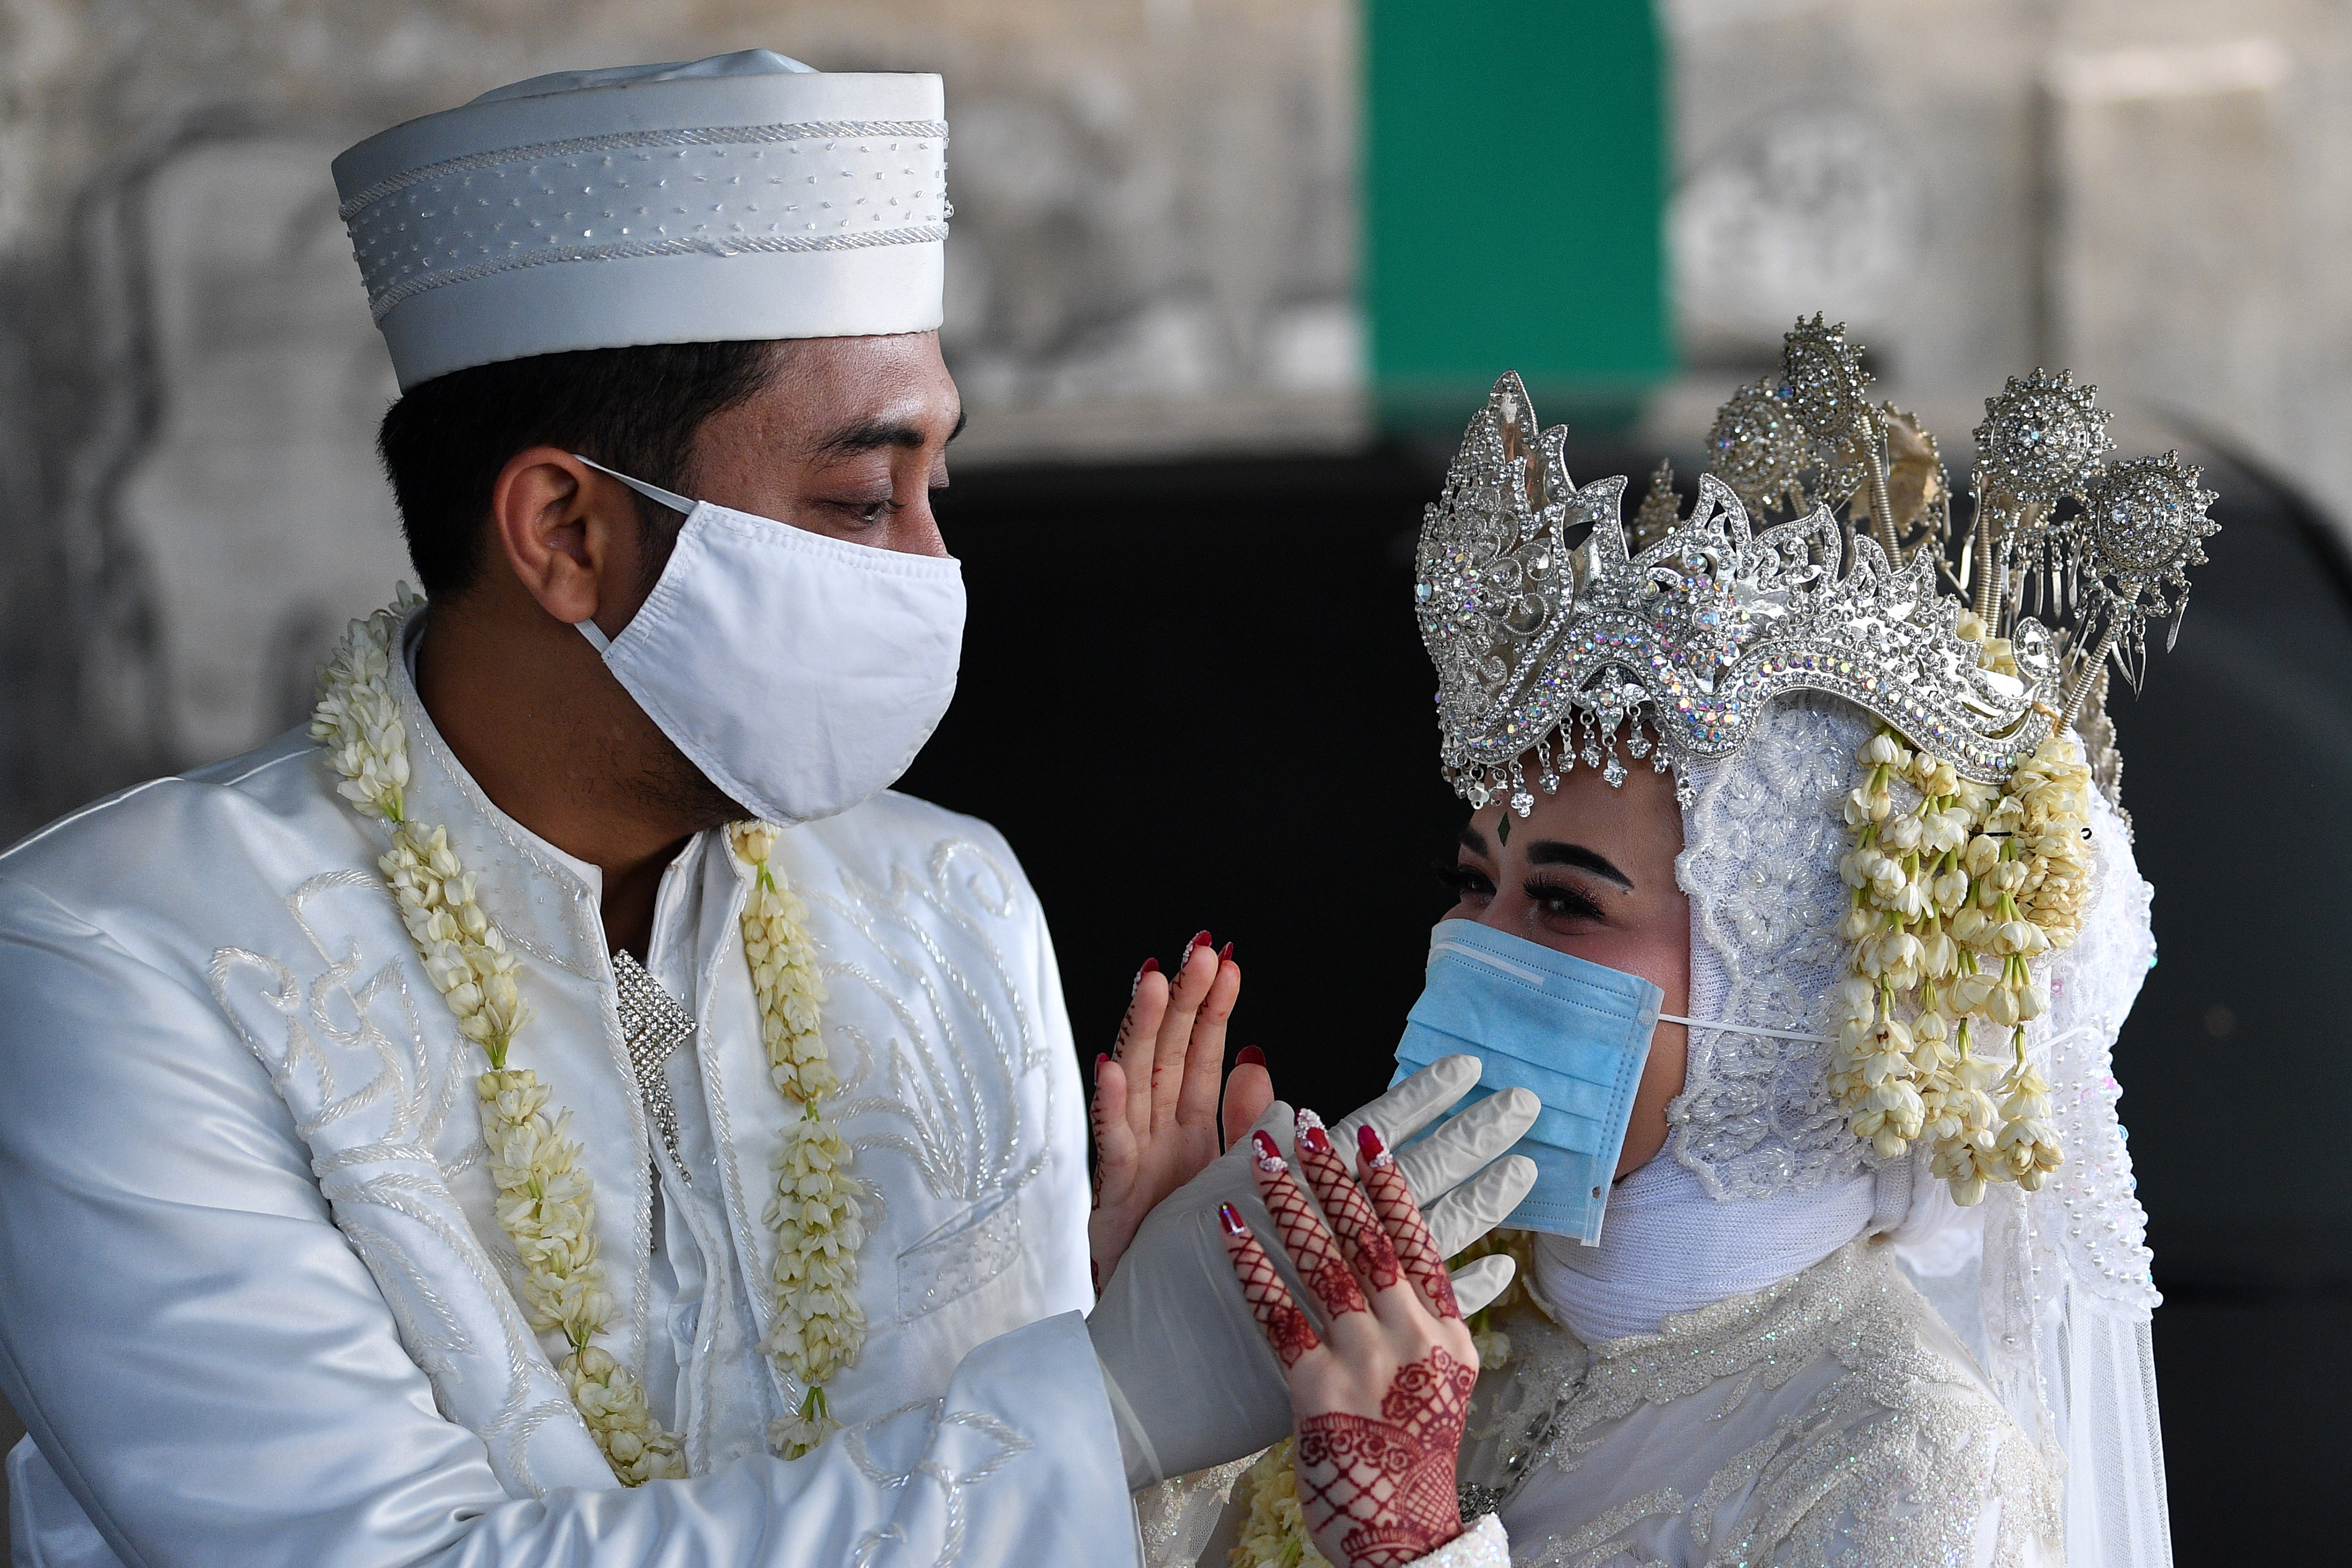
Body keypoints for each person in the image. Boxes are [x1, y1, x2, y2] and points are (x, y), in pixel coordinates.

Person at [0, 51, 1542, 1568]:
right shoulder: (120, 961)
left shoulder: (948, 903)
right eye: (863, 498)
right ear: (566, 528)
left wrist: (1164, 1409)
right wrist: (1105, 1404)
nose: (932, 565)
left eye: (939, 486)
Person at [1222, 330, 2199, 1567]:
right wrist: (1153, 1381)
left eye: (1566, 901)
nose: (1473, 947)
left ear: (1785, 973)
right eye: (1471, 880)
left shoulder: (1905, 1455)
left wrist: (1408, 1542)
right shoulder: (1471, 1331)